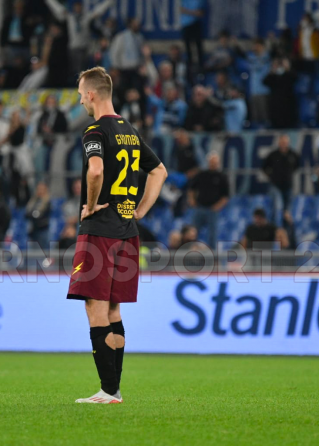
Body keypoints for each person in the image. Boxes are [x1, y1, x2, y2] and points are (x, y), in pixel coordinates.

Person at [69, 66, 167, 404]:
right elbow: (159, 171)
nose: (81, 99)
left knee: (95, 307)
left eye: (82, 93)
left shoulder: (95, 131)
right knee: (113, 310)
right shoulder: (129, 131)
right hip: (127, 231)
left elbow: (95, 169)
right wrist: (139, 211)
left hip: (101, 232)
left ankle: (108, 390)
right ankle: (114, 389)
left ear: (92, 94)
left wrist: (91, 205)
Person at [44, 0, 114, 78]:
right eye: (76, 7)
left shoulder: (86, 17)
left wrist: (109, 1)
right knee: (74, 71)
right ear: (73, 8)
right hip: (73, 48)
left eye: (79, 7)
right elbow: (58, 9)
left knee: (84, 70)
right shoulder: (70, 17)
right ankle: (75, 86)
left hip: (85, 48)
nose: (78, 9)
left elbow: (98, 10)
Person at [187, 152, 229, 249]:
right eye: (211, 162)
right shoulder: (202, 174)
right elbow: (191, 188)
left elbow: (225, 196)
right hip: (200, 207)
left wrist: (218, 206)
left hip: (212, 210)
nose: (213, 164)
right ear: (208, 162)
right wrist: (191, 199)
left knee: (212, 235)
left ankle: (212, 257)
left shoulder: (221, 177)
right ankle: (190, 253)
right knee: (193, 232)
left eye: (215, 163)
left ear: (218, 164)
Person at [263, 134, 299, 217]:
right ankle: (277, 228)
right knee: (278, 207)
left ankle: (285, 229)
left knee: (287, 212)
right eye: (282, 142)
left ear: (288, 143)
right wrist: (271, 175)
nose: (284, 144)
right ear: (279, 143)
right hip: (276, 185)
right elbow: (264, 167)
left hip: (288, 185)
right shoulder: (273, 155)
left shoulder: (292, 154)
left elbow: (297, 166)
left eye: (285, 142)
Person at [263, 58, 297, 129]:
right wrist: (272, 70)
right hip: (275, 103)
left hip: (288, 102)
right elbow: (265, 81)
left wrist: (287, 68)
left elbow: (294, 78)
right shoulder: (274, 76)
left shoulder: (288, 75)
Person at [180, 0, 205, 74]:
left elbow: (201, 13)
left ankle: (200, 67)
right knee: (188, 48)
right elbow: (181, 9)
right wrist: (194, 13)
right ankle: (190, 68)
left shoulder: (200, 2)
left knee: (198, 47)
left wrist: (188, 12)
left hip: (195, 24)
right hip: (186, 25)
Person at [25, 181, 51, 249]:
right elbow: (27, 214)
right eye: (39, 189)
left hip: (43, 229)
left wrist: (34, 215)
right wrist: (34, 214)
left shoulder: (47, 202)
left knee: (43, 250)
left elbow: (41, 215)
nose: (40, 191)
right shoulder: (33, 201)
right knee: (33, 251)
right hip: (33, 230)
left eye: (42, 189)